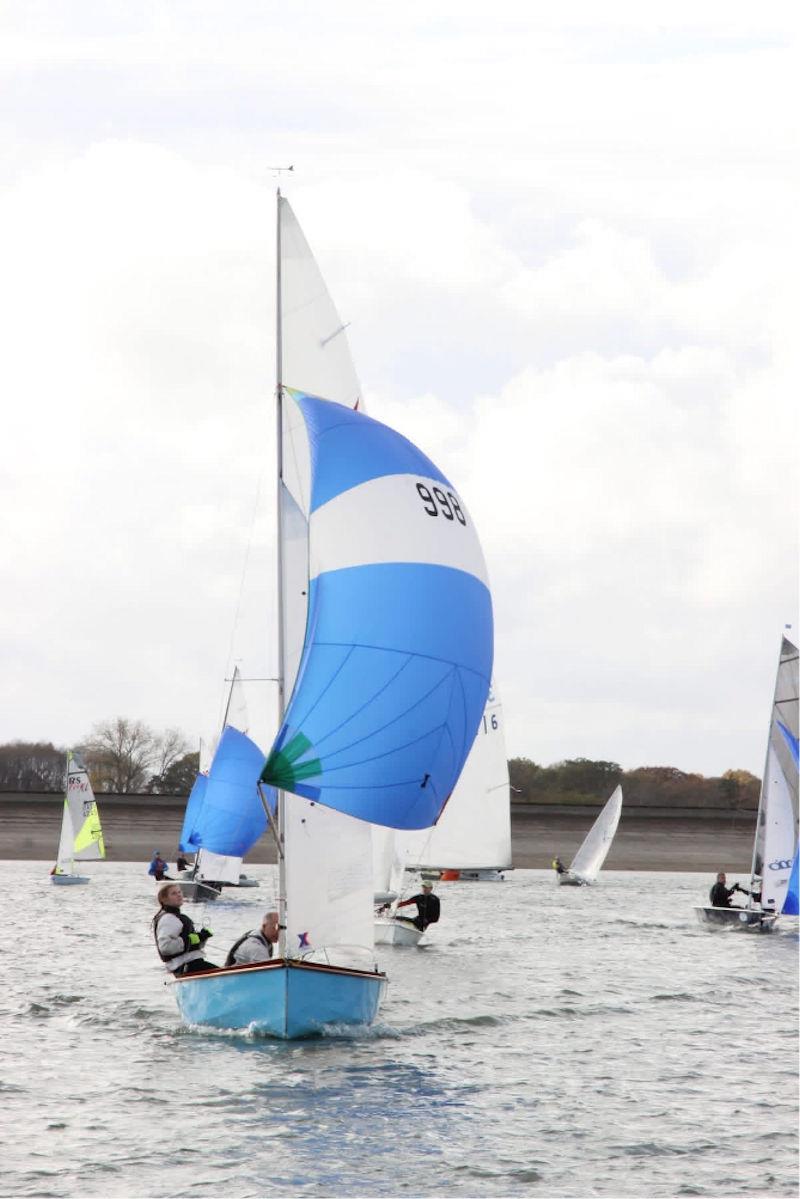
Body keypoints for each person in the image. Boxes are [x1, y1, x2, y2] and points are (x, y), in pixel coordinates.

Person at [152, 881, 217, 976]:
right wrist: (191, 939)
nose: (179, 895)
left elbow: (192, 946)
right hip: (184, 966)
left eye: (179, 892)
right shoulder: (168, 919)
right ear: (164, 899)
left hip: (192, 963)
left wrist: (202, 937)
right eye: (174, 893)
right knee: (227, 975)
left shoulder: (178, 917)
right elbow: (165, 948)